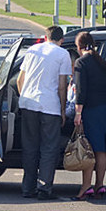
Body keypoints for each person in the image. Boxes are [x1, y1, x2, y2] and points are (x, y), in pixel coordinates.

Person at [17, 26, 72, 200]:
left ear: (45, 37)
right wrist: (63, 110)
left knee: (30, 147)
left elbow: (20, 79)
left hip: (28, 104)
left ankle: (28, 188)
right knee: (49, 149)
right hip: (50, 106)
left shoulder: (32, 50)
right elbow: (62, 85)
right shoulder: (62, 54)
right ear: (61, 40)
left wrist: (24, 97)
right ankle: (44, 188)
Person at [71, 32, 106, 201]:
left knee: (88, 149)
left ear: (79, 47)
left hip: (91, 109)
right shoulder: (101, 62)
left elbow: (81, 91)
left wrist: (78, 113)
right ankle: (99, 185)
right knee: (101, 149)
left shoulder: (81, 62)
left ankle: (85, 187)